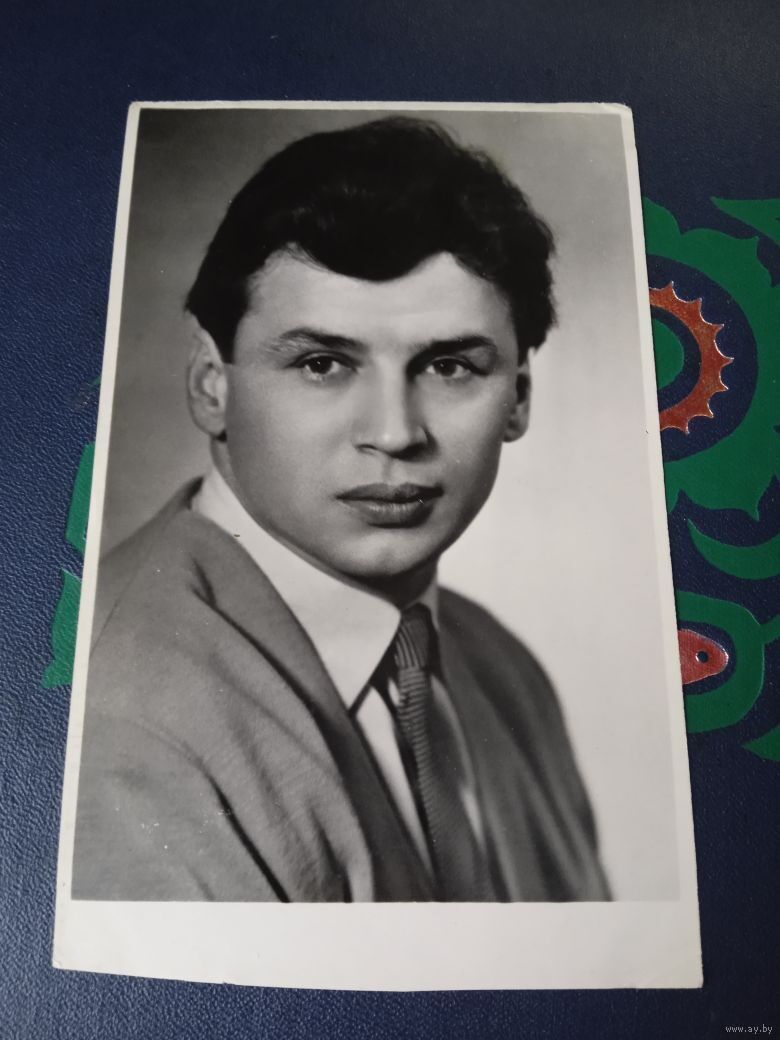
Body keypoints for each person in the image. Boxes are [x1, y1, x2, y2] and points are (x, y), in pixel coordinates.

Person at [73, 116, 610, 902]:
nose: (394, 432)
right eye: (323, 363)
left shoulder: (504, 671)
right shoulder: (117, 717)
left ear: (519, 397)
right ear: (212, 386)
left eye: (449, 366)